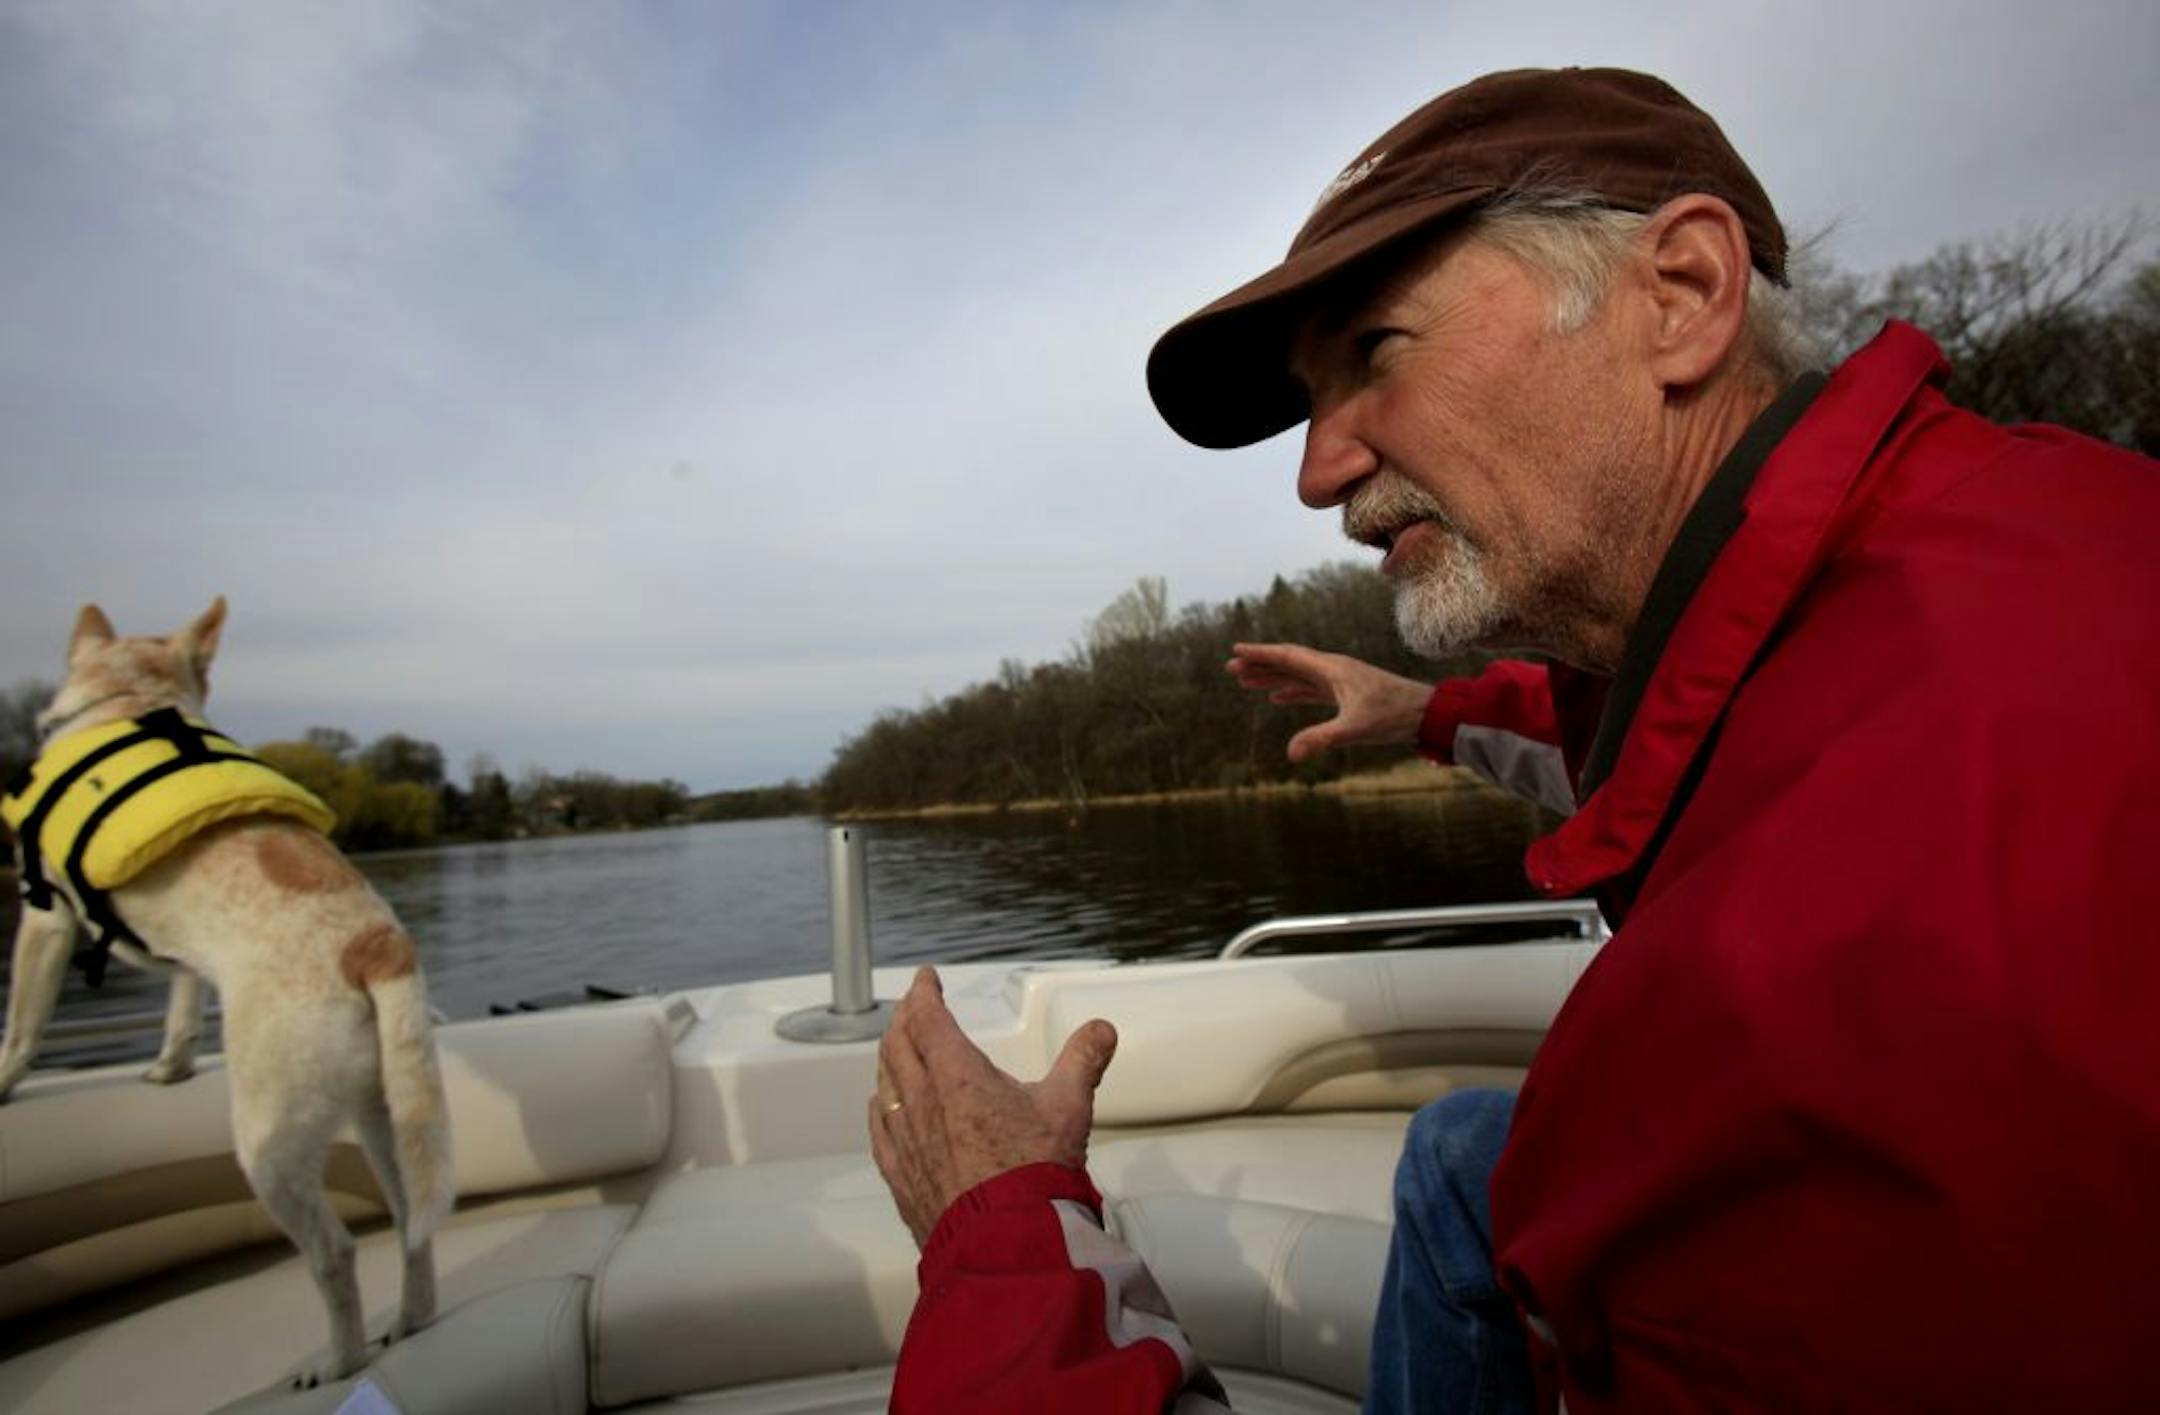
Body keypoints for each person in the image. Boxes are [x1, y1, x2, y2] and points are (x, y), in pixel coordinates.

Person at [870, 65, 2160, 1412]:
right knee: (1462, 1156)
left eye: (1373, 354)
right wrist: (1421, 709)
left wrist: (1011, 1233)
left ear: (1680, 295)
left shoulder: (1860, 985)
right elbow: (1672, 721)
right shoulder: (1964, 572)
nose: (1316, 471)